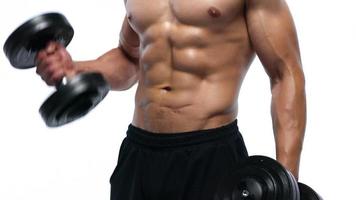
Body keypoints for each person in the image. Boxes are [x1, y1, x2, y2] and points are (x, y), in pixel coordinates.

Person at [36, 0, 306, 199]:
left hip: (210, 154)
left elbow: (285, 75)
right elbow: (130, 60)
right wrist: (75, 70)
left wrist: (286, 181)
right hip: (139, 151)